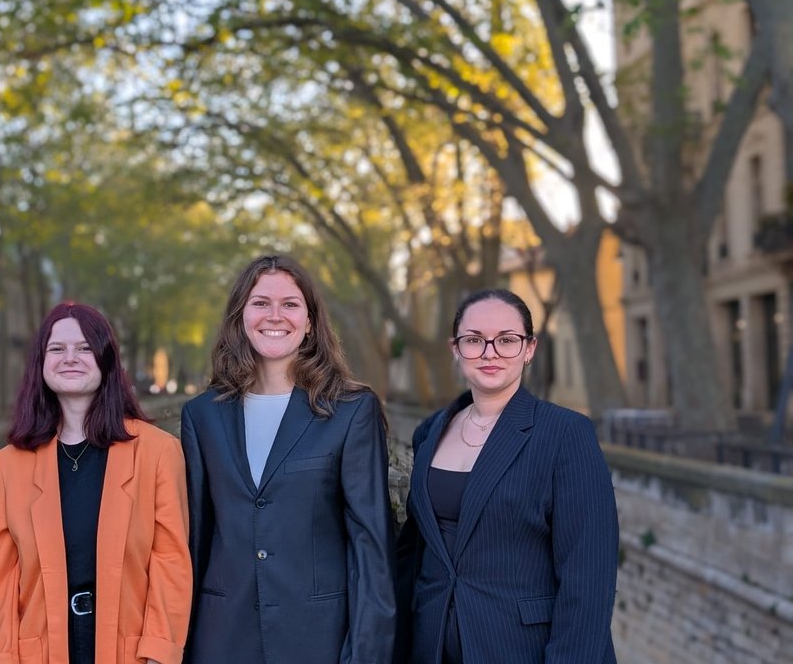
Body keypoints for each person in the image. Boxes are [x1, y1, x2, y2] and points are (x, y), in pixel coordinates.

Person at [180, 254, 397, 664]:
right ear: (240, 316)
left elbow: (371, 547)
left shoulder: (352, 411)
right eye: (261, 303)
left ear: (310, 320)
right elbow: (196, 541)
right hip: (221, 638)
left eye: (290, 304)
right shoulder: (202, 415)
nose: (274, 315)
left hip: (319, 638)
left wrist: (368, 653)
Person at [394, 288, 618, 664]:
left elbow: (588, 581)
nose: (489, 352)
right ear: (455, 349)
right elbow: (415, 555)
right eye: (474, 340)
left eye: (507, 340)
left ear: (529, 349)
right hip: (430, 648)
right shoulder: (430, 432)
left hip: (522, 650)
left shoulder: (565, 434)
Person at [0, 302, 192, 664]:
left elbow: (170, 562)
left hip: (130, 654)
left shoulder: (157, 453)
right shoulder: (8, 466)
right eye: (57, 349)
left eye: (84, 348)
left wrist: (158, 653)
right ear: (40, 364)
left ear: (106, 360)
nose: (70, 358)